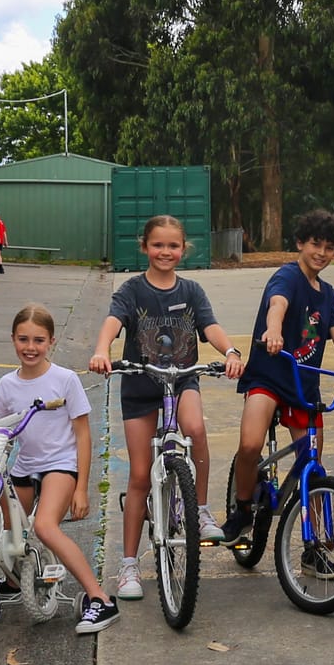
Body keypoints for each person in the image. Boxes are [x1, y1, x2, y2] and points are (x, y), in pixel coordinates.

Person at [87, 215, 244, 600]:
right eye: (158, 245)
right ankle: (127, 567)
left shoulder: (191, 290)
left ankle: (202, 509)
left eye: (173, 246)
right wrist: (101, 349)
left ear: (183, 249)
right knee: (140, 475)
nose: (165, 252)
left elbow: (210, 327)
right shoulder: (132, 290)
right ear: (145, 247)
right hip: (141, 384)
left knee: (196, 428)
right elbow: (113, 321)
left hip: (183, 377)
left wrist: (230, 351)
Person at [219, 210, 334, 545]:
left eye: (330, 248)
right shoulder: (287, 277)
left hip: (303, 385)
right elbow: (276, 306)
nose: (321, 253)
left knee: (313, 463)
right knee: (250, 444)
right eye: (315, 244)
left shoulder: (327, 293)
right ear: (300, 243)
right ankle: (243, 510)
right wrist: (273, 332)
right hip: (268, 376)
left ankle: (315, 546)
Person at [0, 304, 121, 634]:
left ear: (51, 340)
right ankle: (12, 582)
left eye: (38, 340)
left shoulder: (64, 380)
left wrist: (81, 487)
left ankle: (100, 599)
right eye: (23, 339)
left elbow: (83, 433)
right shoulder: (7, 384)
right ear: (12, 340)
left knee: (46, 527)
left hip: (61, 466)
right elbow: (2, 425)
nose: (30, 347)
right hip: (25, 465)